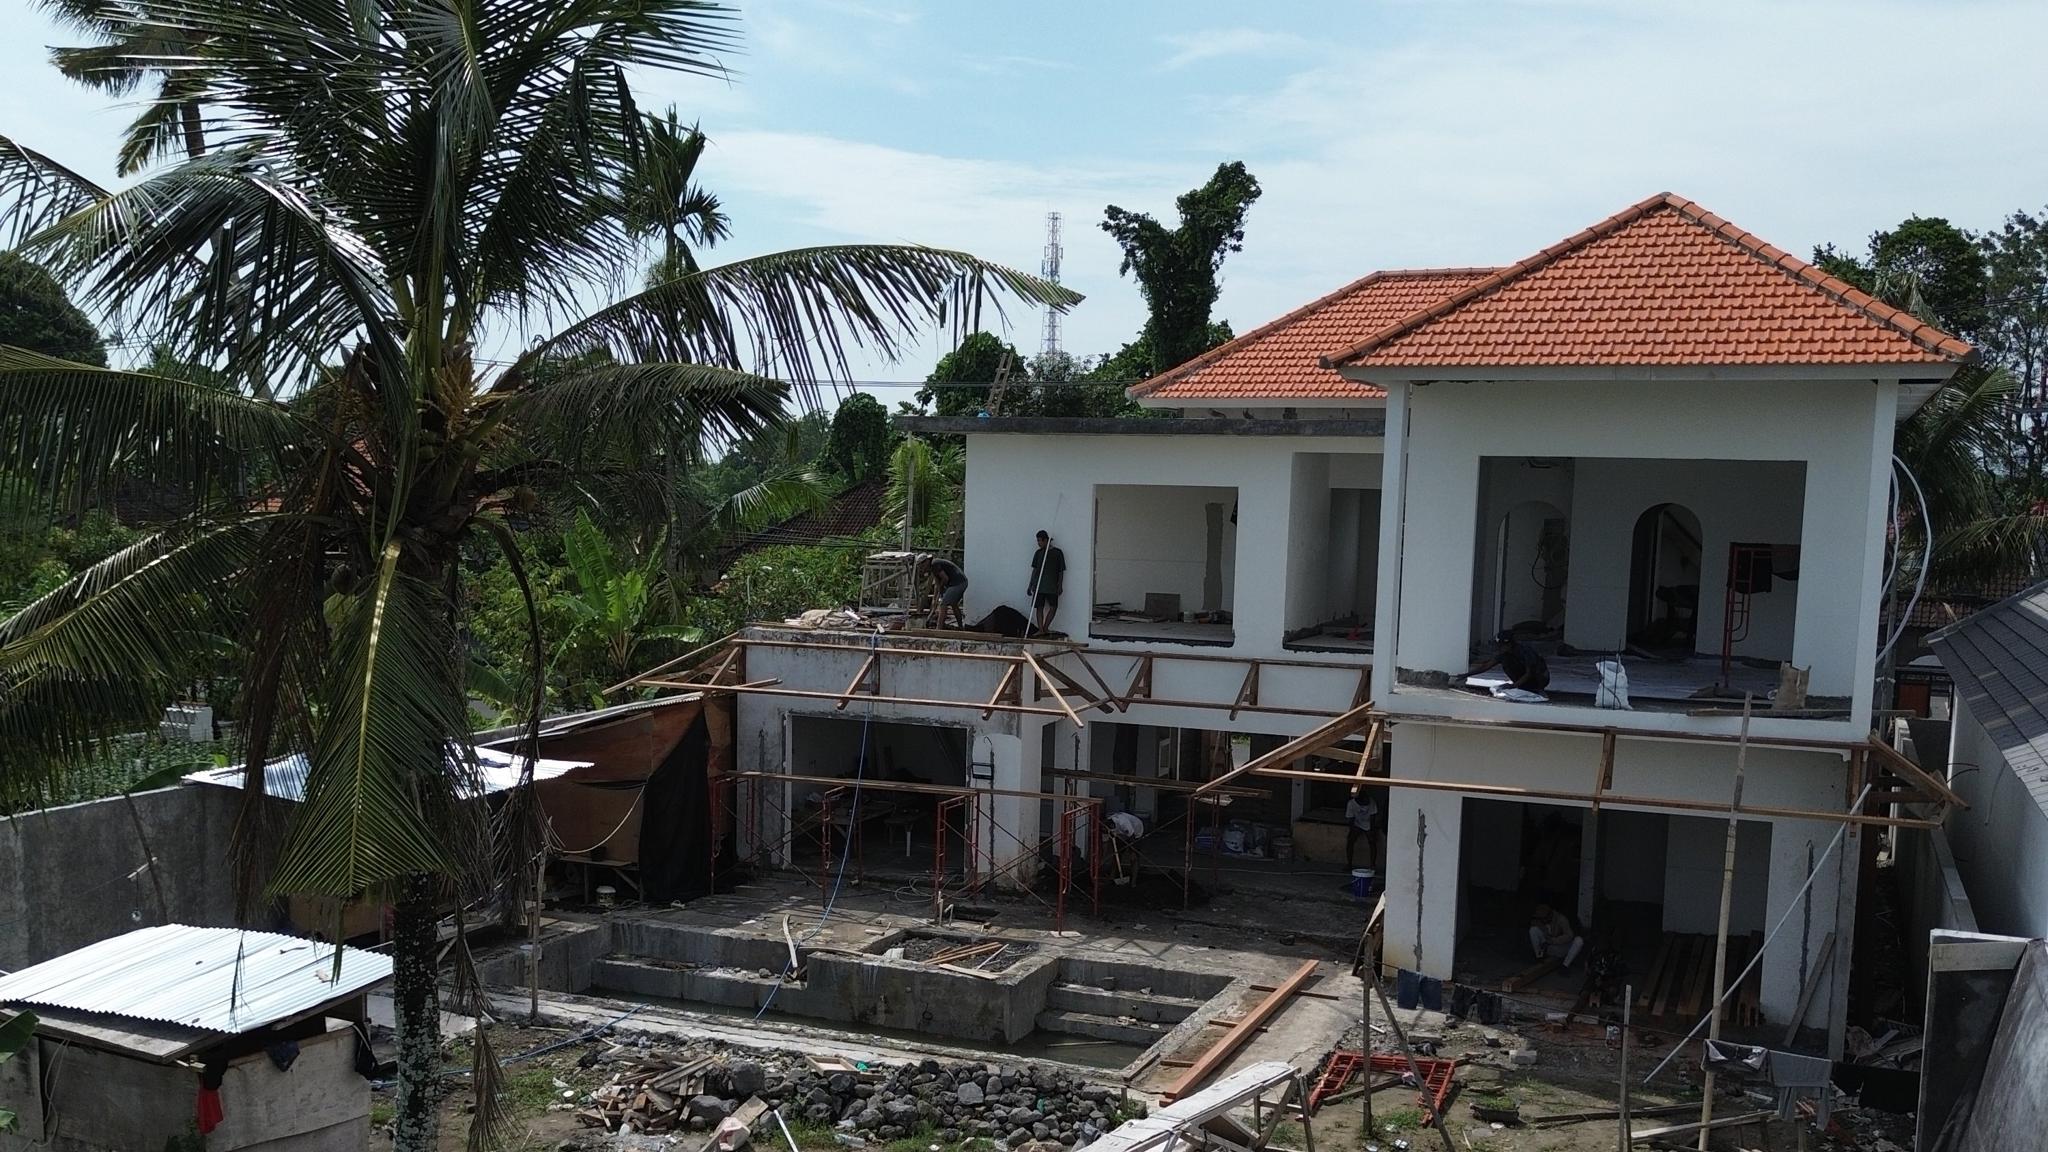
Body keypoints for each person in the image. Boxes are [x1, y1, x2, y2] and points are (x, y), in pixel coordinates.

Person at [1472, 629, 1550, 692]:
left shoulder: (1525, 651)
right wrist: (1466, 675)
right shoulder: (1504, 654)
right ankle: (1523, 686)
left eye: (1501, 646)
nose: (1499, 648)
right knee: (1506, 661)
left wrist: (1513, 686)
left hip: (1539, 679)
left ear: (1509, 644)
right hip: (1522, 681)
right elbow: (1486, 666)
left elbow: (1529, 672)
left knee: (1510, 663)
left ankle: (1533, 688)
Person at [1027, 530, 1066, 636]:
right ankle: (1041, 629)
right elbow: (1034, 570)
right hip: (1039, 586)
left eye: (1040, 540)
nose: (1038, 543)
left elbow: (1061, 570)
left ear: (1046, 540)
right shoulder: (1038, 553)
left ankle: (1045, 627)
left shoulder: (1057, 553)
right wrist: (1030, 585)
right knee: (1039, 607)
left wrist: (1060, 585)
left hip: (1052, 586)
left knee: (1053, 607)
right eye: (1037, 541)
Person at [1528, 902, 1584, 969]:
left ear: (1549, 915)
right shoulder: (1541, 921)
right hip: (1549, 948)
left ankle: (1565, 966)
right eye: (1540, 918)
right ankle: (1539, 957)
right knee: (1533, 930)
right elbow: (1534, 924)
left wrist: (1552, 941)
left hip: (1562, 948)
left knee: (1579, 940)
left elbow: (1569, 936)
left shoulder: (1561, 919)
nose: (1541, 920)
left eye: (1543, 918)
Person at [920, 553, 968, 628]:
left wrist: (941, 589)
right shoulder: (933, 567)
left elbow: (945, 579)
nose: (922, 568)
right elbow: (937, 584)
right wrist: (934, 600)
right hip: (960, 582)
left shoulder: (934, 564)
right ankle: (961, 627)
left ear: (926, 562)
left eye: (922, 566)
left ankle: (939, 629)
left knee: (943, 604)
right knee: (953, 604)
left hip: (958, 583)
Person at [1344, 785, 1378, 872]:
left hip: (1368, 823)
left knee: (1372, 841)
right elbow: (1350, 820)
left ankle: (1372, 865)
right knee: (1350, 841)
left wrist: (1372, 831)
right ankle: (1349, 864)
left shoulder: (1371, 802)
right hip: (1356, 824)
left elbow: (1373, 818)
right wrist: (1353, 830)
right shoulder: (1351, 804)